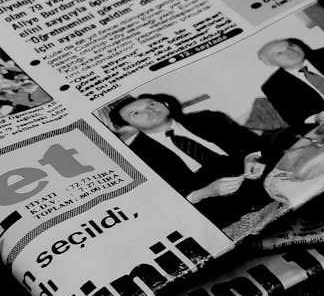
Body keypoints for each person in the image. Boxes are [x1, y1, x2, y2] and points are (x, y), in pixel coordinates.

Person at [108, 93, 268, 228]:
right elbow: (167, 201)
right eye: (135, 113)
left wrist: (252, 157)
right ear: (129, 126)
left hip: (251, 172)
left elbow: (253, 142)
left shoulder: (207, 118)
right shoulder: (137, 157)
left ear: (164, 104)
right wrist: (206, 192)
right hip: (213, 198)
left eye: (151, 103)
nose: (149, 110)